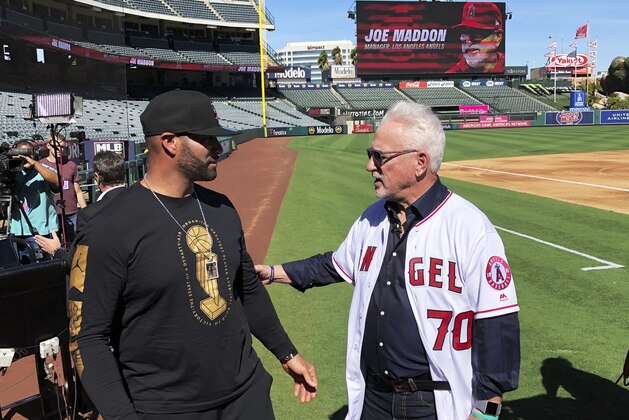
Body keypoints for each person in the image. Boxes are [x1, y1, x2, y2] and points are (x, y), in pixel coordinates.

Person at [256, 101, 520, 420]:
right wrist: (271, 273)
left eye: (379, 156)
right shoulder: (372, 219)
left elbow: (497, 326)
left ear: (420, 162)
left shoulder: (469, 228)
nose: (370, 165)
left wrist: (486, 413)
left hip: (435, 403)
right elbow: (334, 264)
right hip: (375, 398)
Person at [68, 89, 318, 419]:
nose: (218, 147)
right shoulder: (108, 227)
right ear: (170, 142)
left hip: (246, 396)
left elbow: (248, 289)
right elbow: (87, 337)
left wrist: (286, 352)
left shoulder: (221, 208)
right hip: (166, 408)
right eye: (207, 139)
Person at [35, 150, 127, 263]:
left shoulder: (89, 215)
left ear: (96, 177)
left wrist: (55, 250)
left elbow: (78, 262)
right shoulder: (147, 201)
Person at [9, 139, 59, 262]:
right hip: (16, 229)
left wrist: (34, 164)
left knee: (39, 266)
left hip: (39, 230)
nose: (24, 157)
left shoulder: (43, 169)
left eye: (27, 153)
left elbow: (57, 182)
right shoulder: (11, 171)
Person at [39, 133, 87, 244]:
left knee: (76, 243)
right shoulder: (41, 165)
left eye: (62, 147)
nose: (59, 149)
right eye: (56, 146)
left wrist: (85, 211)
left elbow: (78, 190)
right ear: (48, 146)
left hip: (71, 212)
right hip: (51, 214)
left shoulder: (71, 164)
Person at [446, 2, 505, 74]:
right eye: (464, 32)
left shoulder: (507, 66)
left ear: (497, 38)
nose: (468, 41)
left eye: (476, 33)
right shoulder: (452, 74)